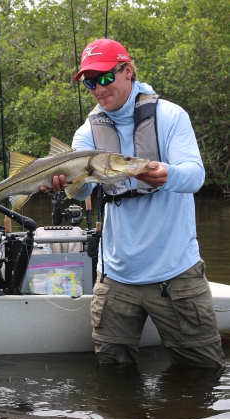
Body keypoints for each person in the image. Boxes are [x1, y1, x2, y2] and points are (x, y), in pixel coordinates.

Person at [42, 38, 225, 368]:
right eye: (89, 82)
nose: (97, 89)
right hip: (116, 275)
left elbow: (196, 176)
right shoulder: (87, 132)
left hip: (175, 273)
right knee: (112, 379)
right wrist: (63, 186)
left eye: (105, 78)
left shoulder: (171, 116)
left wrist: (167, 174)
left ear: (127, 71)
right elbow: (81, 193)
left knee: (203, 375)